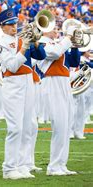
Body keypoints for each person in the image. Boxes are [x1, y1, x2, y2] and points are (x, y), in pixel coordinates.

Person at [0, 8, 46, 180]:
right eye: (9, 25)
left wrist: (35, 42)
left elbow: (41, 55)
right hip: (13, 84)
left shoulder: (22, 39)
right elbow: (12, 66)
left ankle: (22, 165)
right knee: (15, 128)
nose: (14, 27)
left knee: (28, 126)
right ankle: (9, 168)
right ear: (2, 27)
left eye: (15, 24)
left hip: (28, 81)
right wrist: (25, 47)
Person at [37, 24, 80, 175]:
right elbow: (55, 53)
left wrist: (74, 45)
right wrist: (68, 38)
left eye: (56, 27)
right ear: (43, 29)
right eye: (52, 27)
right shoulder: (42, 44)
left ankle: (61, 164)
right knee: (60, 125)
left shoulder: (59, 44)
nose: (56, 30)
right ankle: (53, 166)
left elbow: (73, 62)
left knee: (67, 126)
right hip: (52, 82)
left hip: (64, 82)